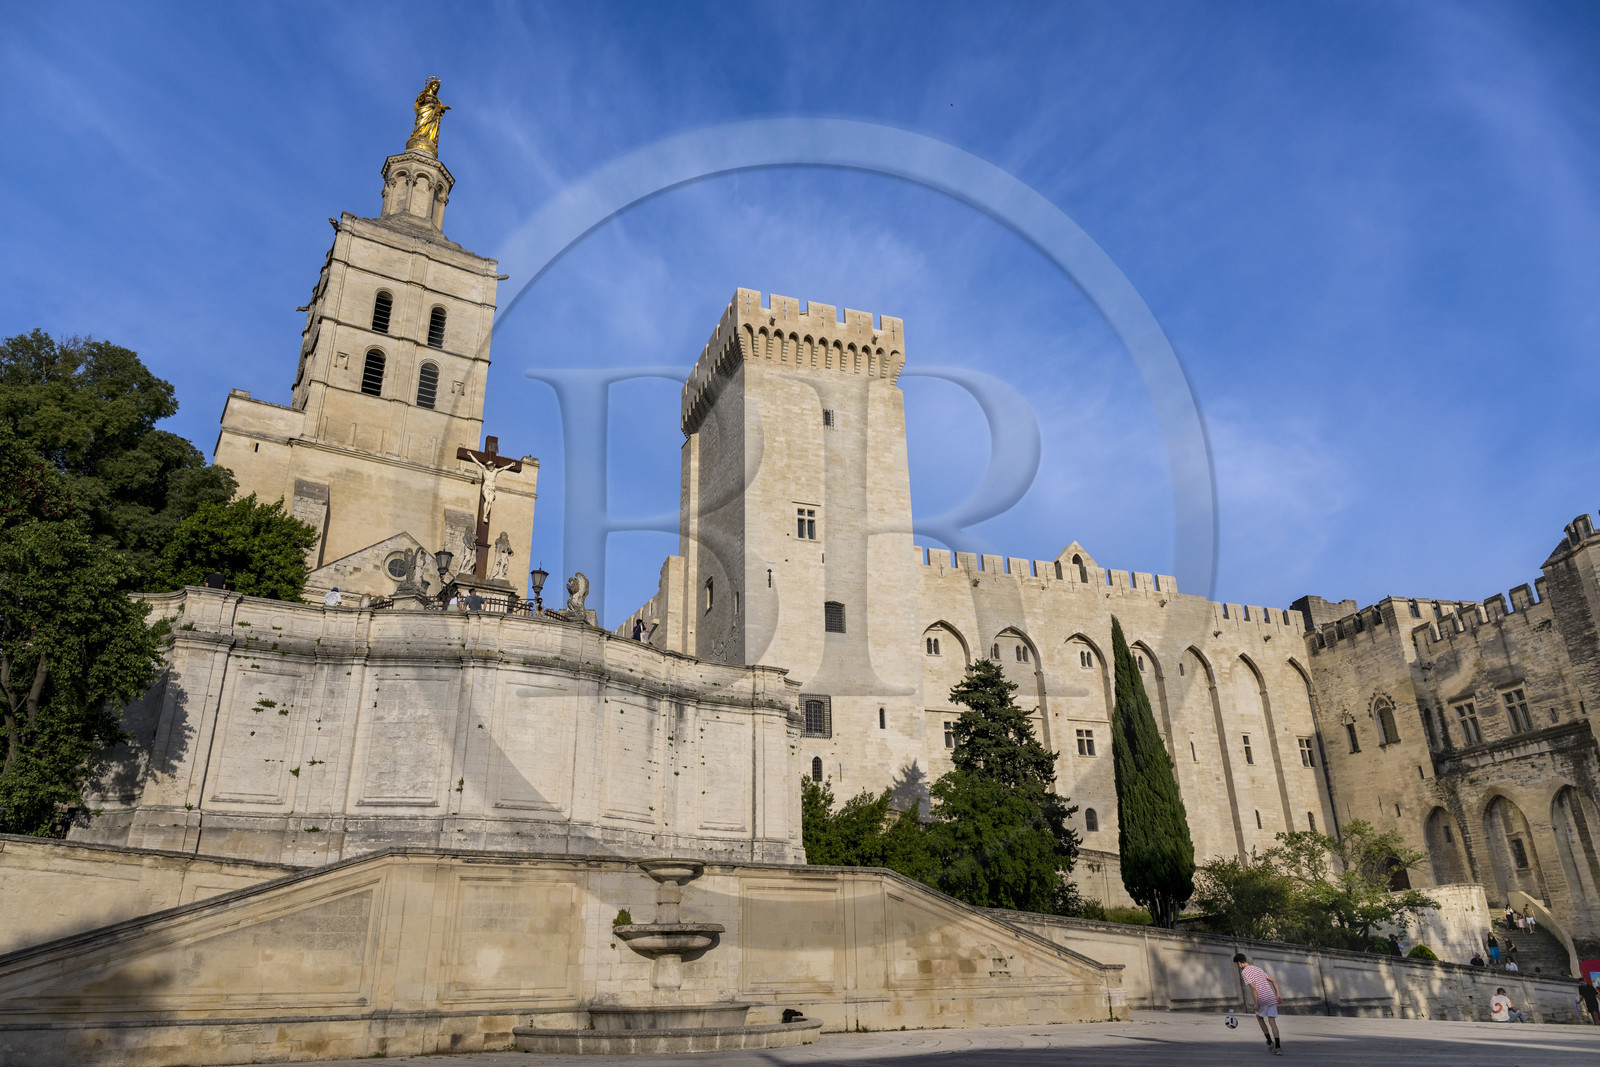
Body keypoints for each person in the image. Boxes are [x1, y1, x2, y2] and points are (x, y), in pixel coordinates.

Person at [1233, 953, 1283, 1055]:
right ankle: (1278, 1048)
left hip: (1262, 998)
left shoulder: (1245, 972)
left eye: (1237, 965)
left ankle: (1269, 1042)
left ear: (1239, 963)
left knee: (1259, 1018)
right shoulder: (1257, 968)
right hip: (1271, 997)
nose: (1238, 967)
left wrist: (1256, 1003)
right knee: (1272, 1022)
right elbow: (1274, 981)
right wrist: (1278, 994)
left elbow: (1253, 988)